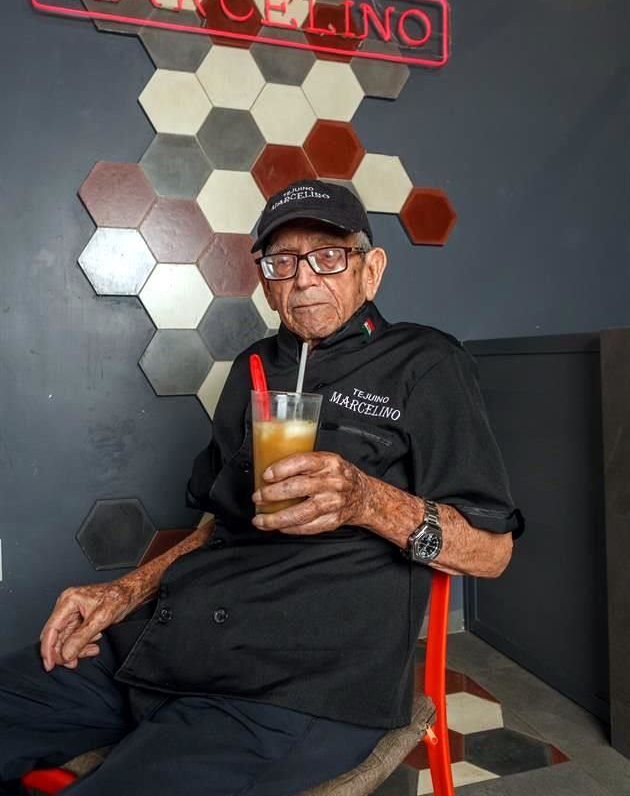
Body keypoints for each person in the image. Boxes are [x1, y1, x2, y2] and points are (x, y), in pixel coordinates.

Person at [0, 180, 522, 796]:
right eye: (281, 262)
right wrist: (124, 590)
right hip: (167, 640)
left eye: (328, 256)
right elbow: (216, 527)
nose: (303, 279)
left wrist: (368, 500)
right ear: (267, 280)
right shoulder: (253, 367)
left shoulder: (427, 363)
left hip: (296, 687)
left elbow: (492, 552)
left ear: (371, 268)